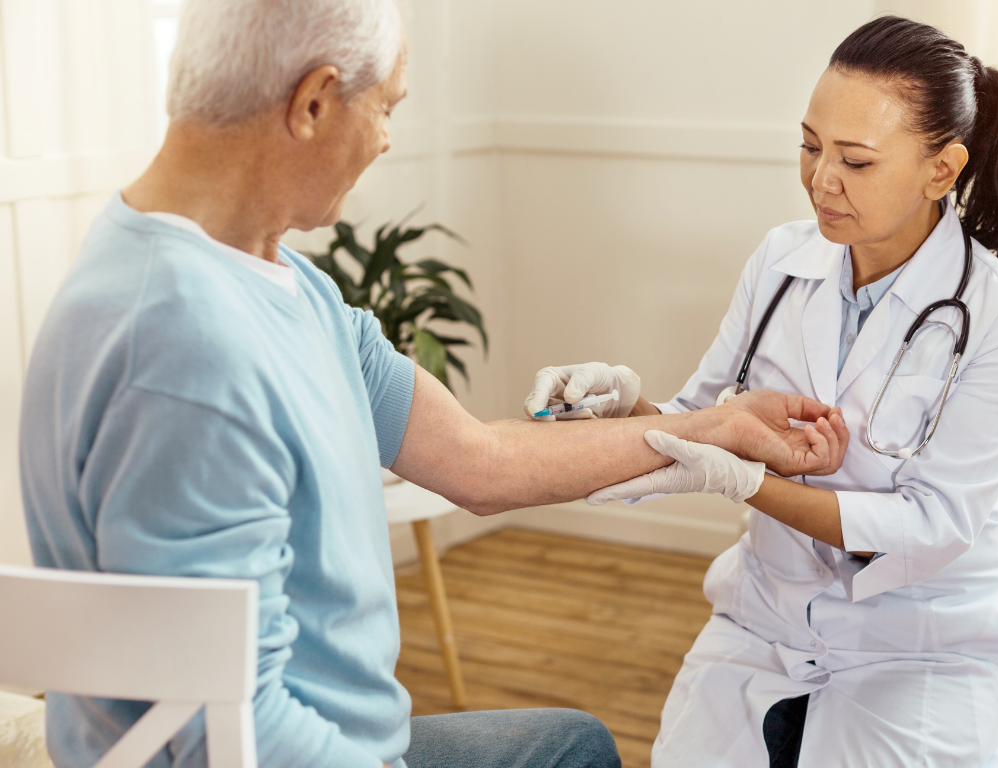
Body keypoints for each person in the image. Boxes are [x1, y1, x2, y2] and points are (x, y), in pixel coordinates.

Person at [16, 2, 849, 767]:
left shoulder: (280, 284)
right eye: (389, 107)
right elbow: (229, 732)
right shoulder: (180, 345)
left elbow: (479, 462)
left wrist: (718, 426)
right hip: (295, 750)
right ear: (313, 104)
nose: (386, 139)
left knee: (570, 746)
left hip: (338, 732)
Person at [522, 16, 998, 767]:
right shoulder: (782, 260)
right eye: (810, 146)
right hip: (763, 623)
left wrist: (748, 483)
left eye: (857, 162)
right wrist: (618, 405)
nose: (820, 180)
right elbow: (696, 425)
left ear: (942, 170)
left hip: (921, 646)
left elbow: (931, 525)